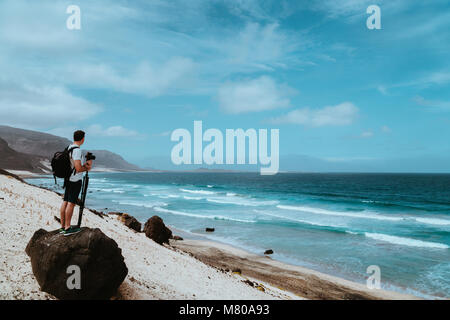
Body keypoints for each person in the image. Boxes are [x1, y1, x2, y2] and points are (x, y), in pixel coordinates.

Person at [59, 130, 92, 235]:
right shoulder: (77, 150)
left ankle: (63, 226)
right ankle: (68, 228)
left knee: (65, 201)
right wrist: (86, 167)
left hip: (68, 179)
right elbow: (78, 168)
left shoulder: (69, 147)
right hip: (75, 180)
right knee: (71, 203)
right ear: (82, 139)